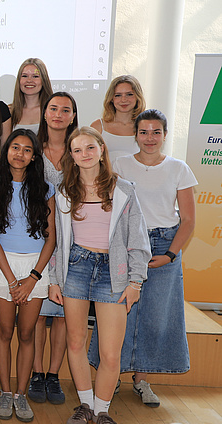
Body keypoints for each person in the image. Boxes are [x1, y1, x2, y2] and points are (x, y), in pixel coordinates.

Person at [50, 127, 150, 424]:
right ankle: (86, 406)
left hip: (113, 272)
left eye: (90, 148)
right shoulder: (63, 190)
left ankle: (104, 410)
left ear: (102, 149)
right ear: (71, 156)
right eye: (77, 150)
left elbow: (138, 241)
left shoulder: (125, 189)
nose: (84, 155)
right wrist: (54, 279)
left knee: (109, 352)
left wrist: (135, 282)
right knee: (76, 342)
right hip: (76, 269)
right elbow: (58, 242)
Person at [89, 110, 196, 407]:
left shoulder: (179, 168)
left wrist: (170, 254)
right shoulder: (121, 165)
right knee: (120, 311)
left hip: (165, 245)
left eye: (156, 132)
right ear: (135, 135)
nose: (150, 138)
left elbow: (188, 219)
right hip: (127, 243)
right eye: (144, 132)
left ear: (164, 134)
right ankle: (109, 378)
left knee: (157, 317)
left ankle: (143, 381)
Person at [0, 129, 55, 423]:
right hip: (4, 267)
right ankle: (4, 391)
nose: (20, 153)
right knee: (4, 331)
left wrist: (32, 278)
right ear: (5, 151)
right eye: (15, 147)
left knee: (27, 334)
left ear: (34, 156)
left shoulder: (46, 189)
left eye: (27, 149)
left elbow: (51, 240)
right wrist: (12, 280)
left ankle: (21, 394)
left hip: (36, 269)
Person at [27, 92, 78, 405]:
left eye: (66, 110)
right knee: (38, 314)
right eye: (53, 108)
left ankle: (53, 376)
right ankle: (35, 372)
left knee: (62, 315)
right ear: (44, 113)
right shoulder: (32, 149)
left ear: (73, 116)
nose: (58, 114)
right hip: (40, 239)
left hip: (74, 240)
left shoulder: (80, 149)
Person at [91, 75, 146, 160]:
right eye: (118, 95)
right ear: (111, 98)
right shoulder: (98, 127)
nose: (123, 100)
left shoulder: (145, 127)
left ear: (137, 97)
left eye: (129, 94)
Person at [10, 59, 54, 134]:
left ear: (44, 80)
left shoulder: (52, 111)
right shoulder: (10, 111)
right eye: (25, 76)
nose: (29, 80)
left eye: (35, 76)